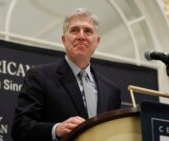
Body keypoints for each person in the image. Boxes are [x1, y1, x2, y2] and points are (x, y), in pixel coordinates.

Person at [11, 8, 121, 141]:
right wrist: (56, 130)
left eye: (88, 31)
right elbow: (20, 128)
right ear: (64, 39)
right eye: (74, 30)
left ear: (97, 41)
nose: (81, 36)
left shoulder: (111, 91)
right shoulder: (39, 76)